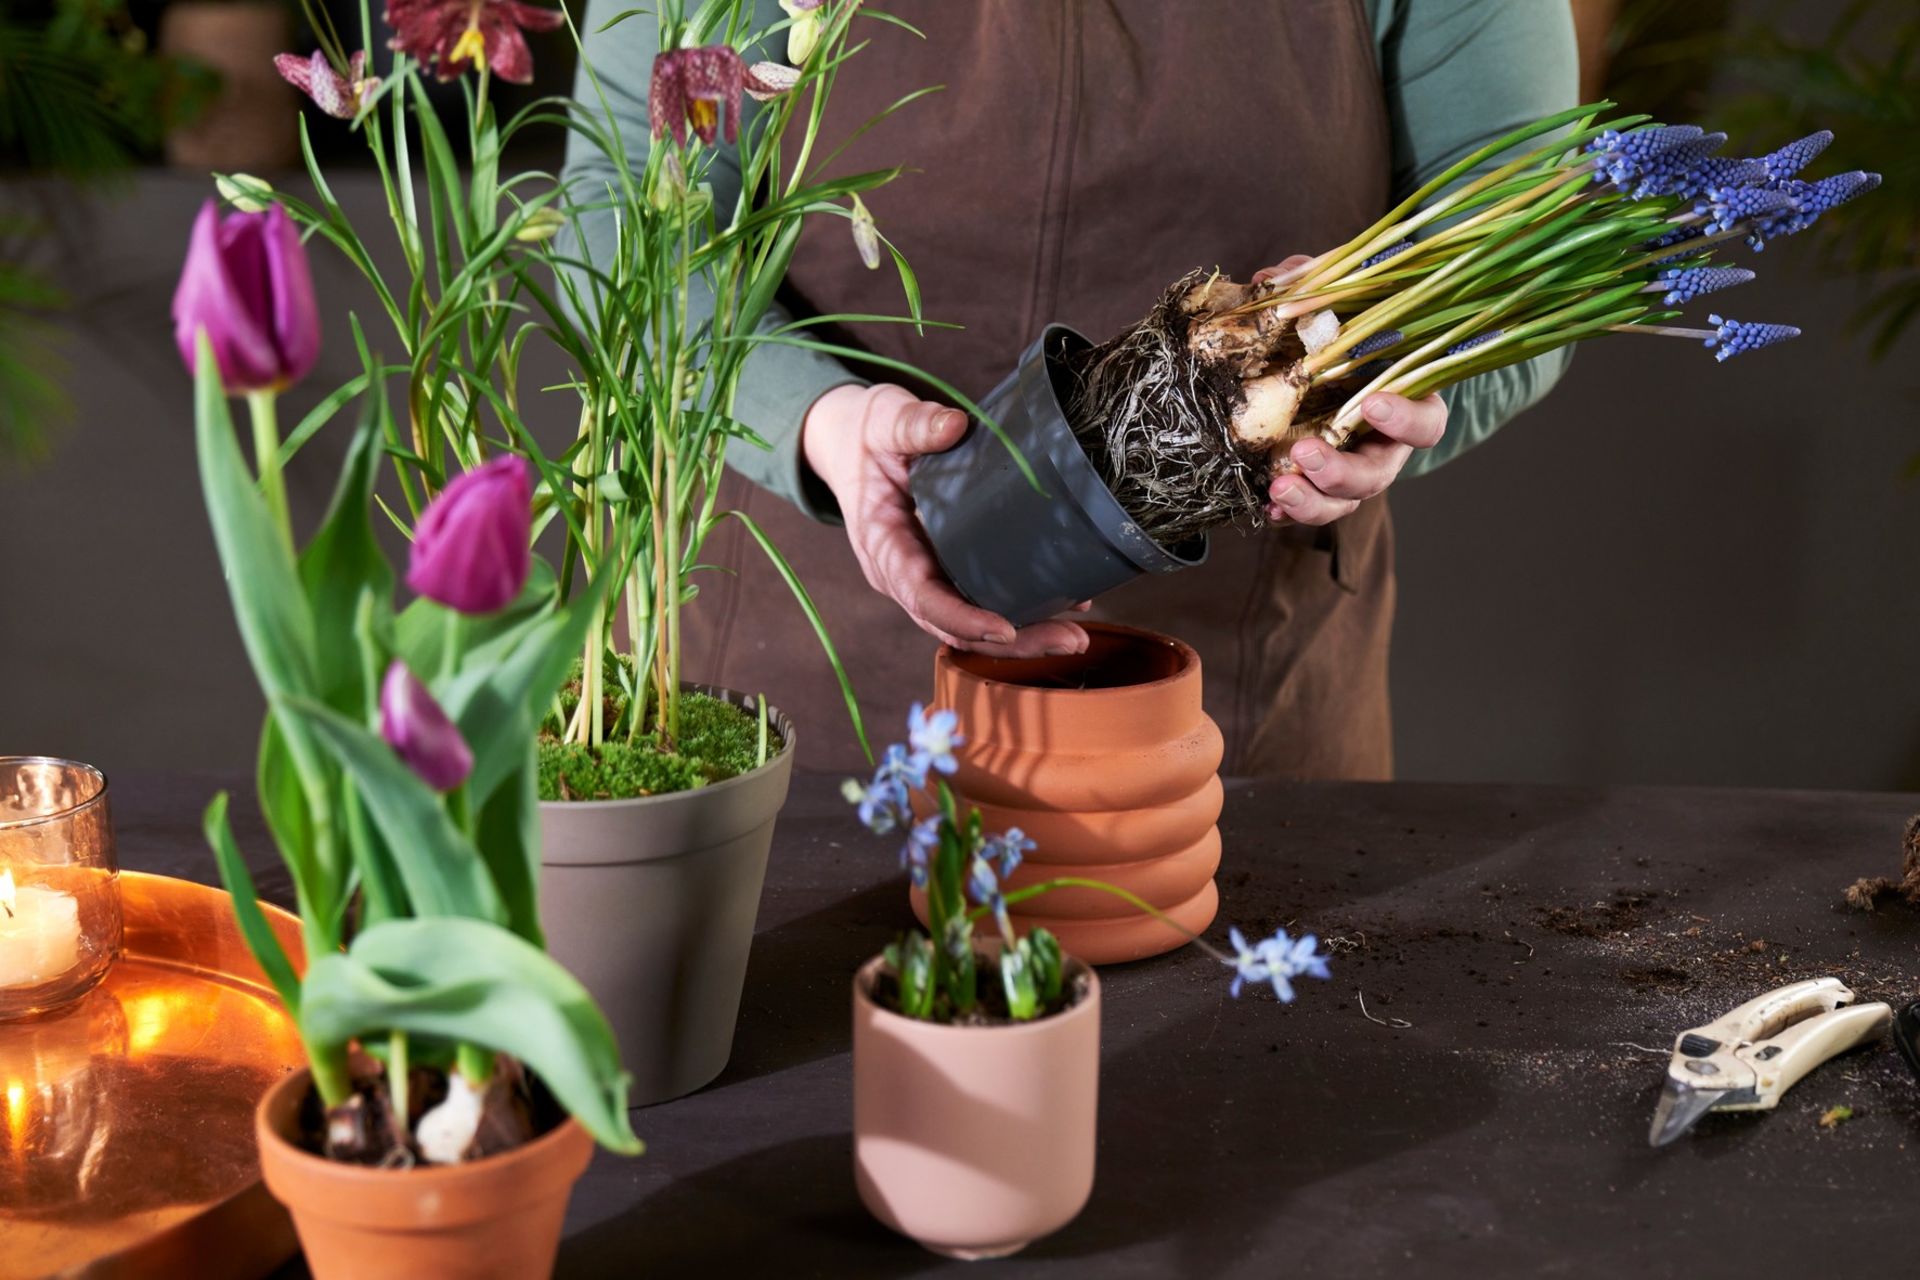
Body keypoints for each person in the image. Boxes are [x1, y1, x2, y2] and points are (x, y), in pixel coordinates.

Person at [563, 1, 1577, 777]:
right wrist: (813, 420)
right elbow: (616, 219)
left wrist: (1403, 372)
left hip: (1232, 725)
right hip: (793, 699)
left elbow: (1517, 258)